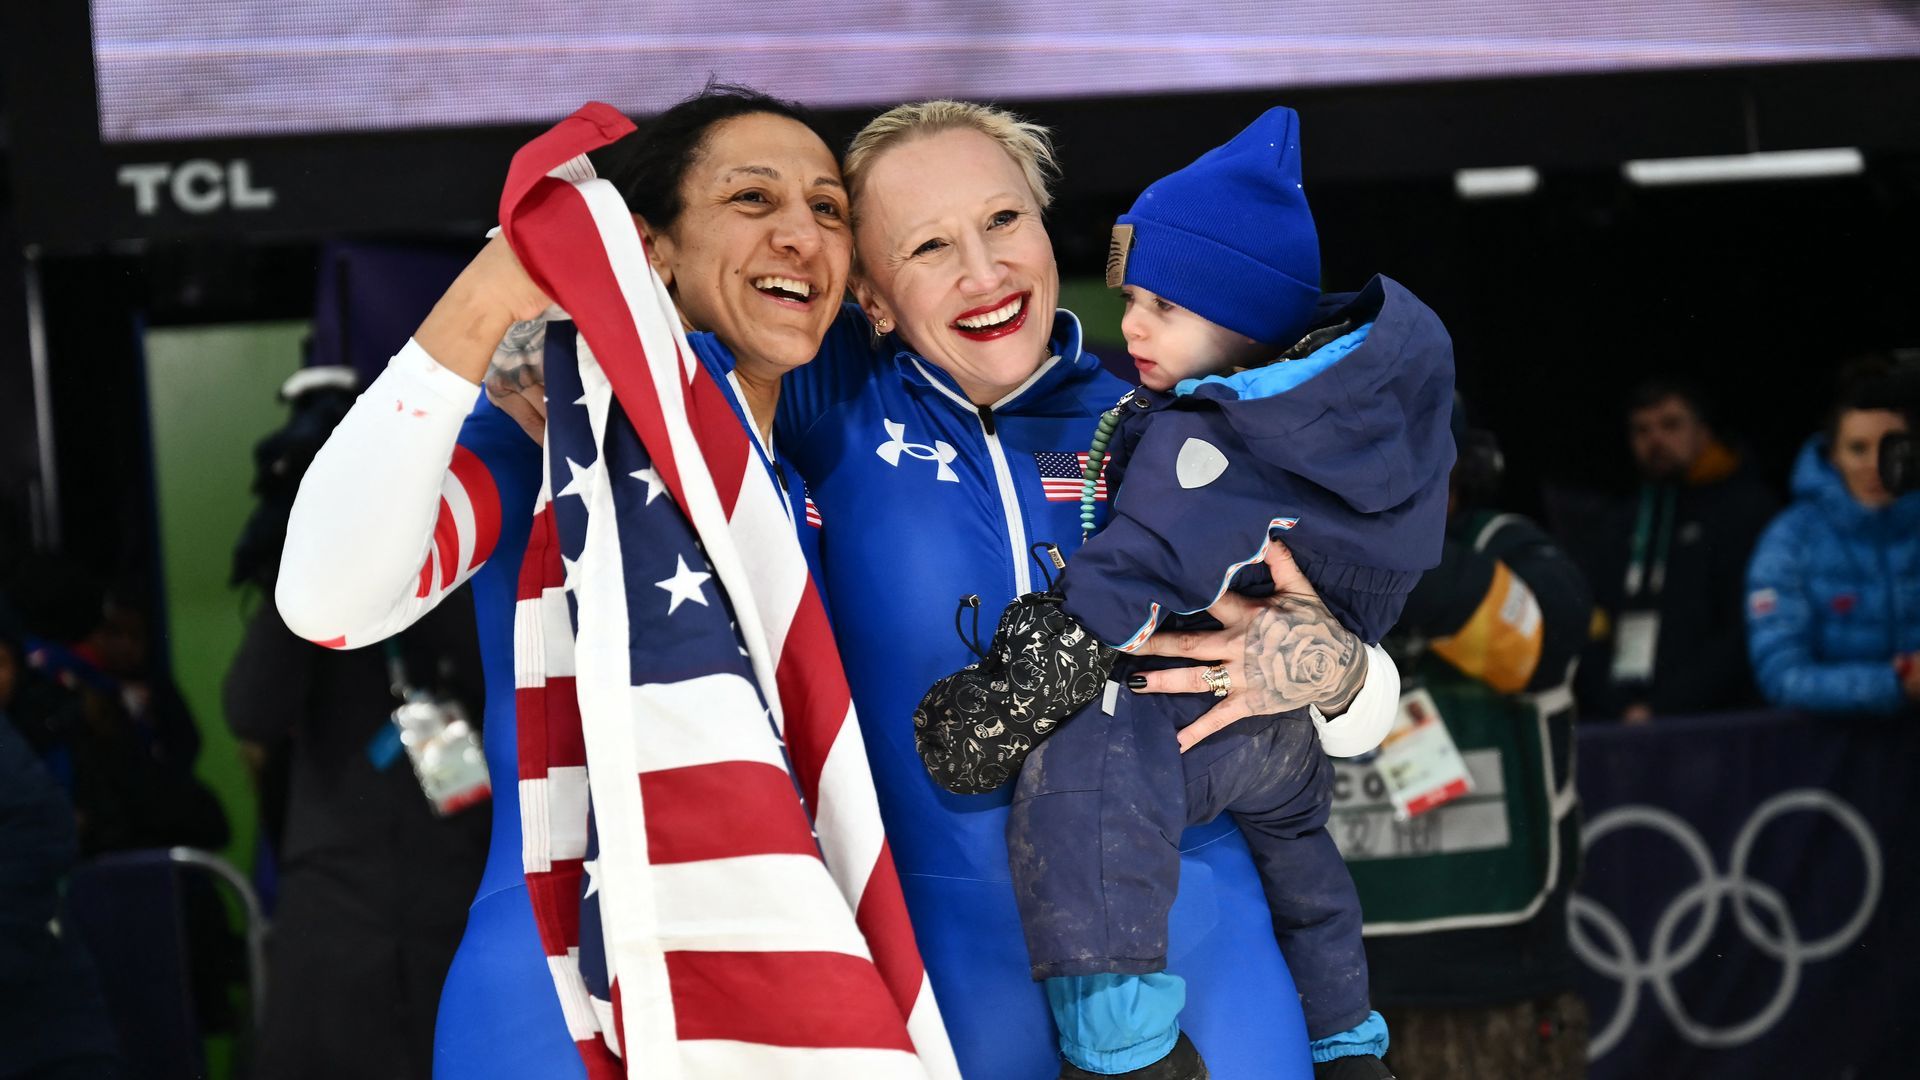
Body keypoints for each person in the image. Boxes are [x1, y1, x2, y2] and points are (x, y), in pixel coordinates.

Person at [778, 100, 1399, 1079]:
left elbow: (1364, 716)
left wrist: (1338, 671)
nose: (984, 272)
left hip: (1208, 970)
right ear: (871, 296)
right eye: (930, 245)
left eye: (1003, 220)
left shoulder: (1172, 425)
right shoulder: (830, 413)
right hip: (944, 999)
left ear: (1047, 221)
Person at [278, 85, 859, 1077]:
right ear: (653, 246)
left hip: (794, 979)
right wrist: (492, 295)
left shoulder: (809, 485)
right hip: (560, 999)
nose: (801, 233)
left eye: (829, 208)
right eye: (754, 200)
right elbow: (326, 603)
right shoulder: (545, 441)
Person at [225, 367, 489, 1080]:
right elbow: (251, 709)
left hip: (451, 899)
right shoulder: (303, 582)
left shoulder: (464, 548)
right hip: (343, 915)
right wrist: (308, 550)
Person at [1353, 404, 1592, 1080]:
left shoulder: (1506, 549)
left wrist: (1357, 556)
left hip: (1502, 986)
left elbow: (1542, 638)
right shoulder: (1286, 558)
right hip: (1343, 987)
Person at [1571, 380, 1777, 722]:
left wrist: (1664, 709)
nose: (1655, 440)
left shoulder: (1747, 511)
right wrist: (1620, 707)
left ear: (1704, 431)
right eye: (1641, 430)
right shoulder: (1621, 522)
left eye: (1670, 425)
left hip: (1717, 723)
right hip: (1623, 722)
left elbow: (1744, 631)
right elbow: (1589, 622)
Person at [1745, 364, 1920, 714]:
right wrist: (1896, 683)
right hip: (1831, 761)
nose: (1875, 464)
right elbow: (1782, 675)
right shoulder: (1790, 541)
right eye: (1858, 448)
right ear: (1833, 454)